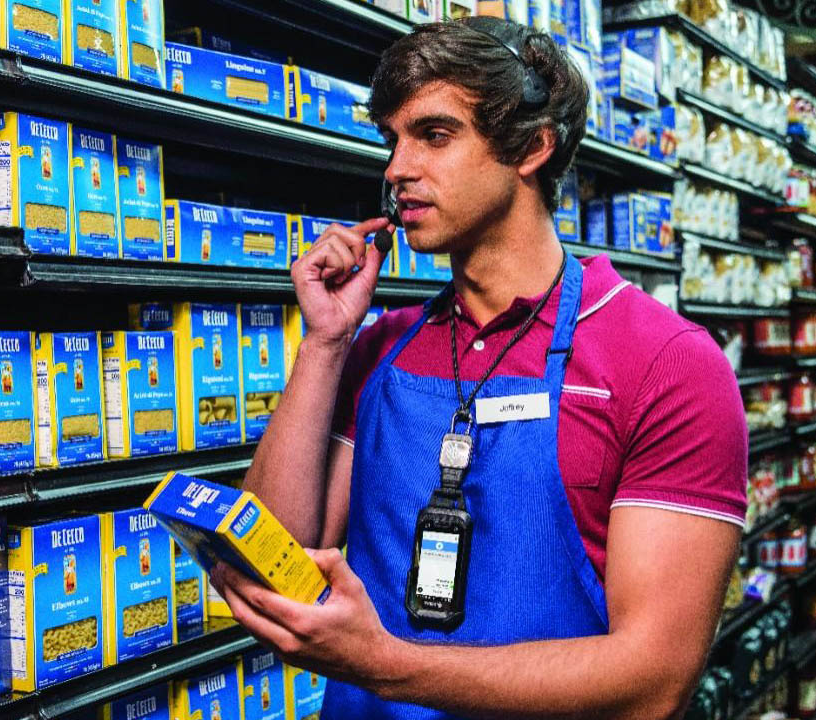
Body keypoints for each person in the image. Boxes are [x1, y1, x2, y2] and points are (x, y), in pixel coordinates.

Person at [209, 16, 747, 720]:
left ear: (532, 147)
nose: (396, 168)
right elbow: (267, 566)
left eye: (433, 135)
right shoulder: (378, 349)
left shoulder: (665, 364)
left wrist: (389, 666)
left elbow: (654, 679)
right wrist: (324, 346)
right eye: (392, 139)